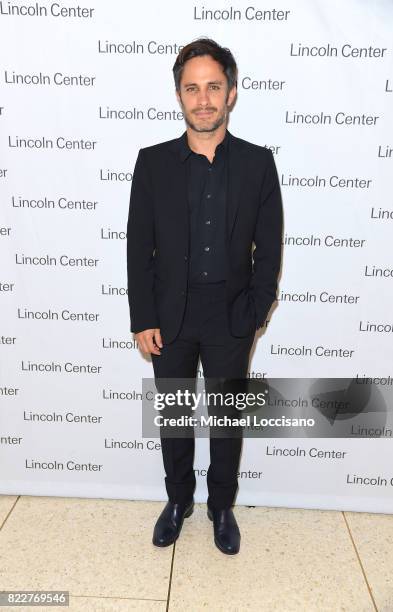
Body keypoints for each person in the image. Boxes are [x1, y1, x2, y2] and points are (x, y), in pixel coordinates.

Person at [126, 38, 283, 555]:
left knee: (226, 418)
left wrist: (255, 312)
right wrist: (143, 315)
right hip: (169, 314)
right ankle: (178, 501)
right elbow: (138, 246)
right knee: (172, 415)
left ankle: (221, 506)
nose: (204, 99)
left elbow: (271, 246)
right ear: (179, 96)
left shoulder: (259, 165)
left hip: (231, 315)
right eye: (192, 88)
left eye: (213, 86)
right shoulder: (151, 164)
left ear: (231, 93)